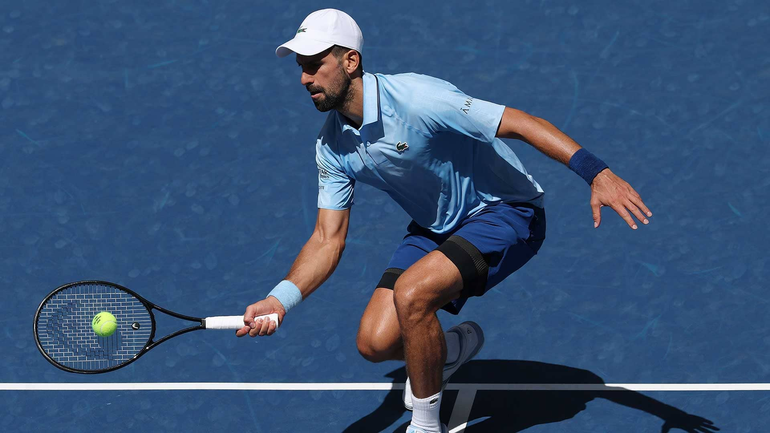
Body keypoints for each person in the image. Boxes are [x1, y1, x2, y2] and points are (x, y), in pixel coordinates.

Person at [236, 8, 653, 433]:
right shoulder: (331, 146)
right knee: (375, 342)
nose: (304, 78)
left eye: (313, 65)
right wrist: (279, 299)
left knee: (413, 294)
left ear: (350, 62)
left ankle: (426, 425)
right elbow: (327, 240)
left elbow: (522, 123)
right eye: (301, 68)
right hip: (434, 226)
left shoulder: (418, 99)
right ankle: (449, 350)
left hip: (506, 210)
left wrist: (596, 173)